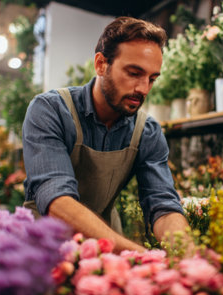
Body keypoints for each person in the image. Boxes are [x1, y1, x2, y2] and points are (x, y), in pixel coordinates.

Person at [22, 16, 191, 253]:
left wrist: (185, 253)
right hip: (44, 249)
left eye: (152, 79)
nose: (144, 89)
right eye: (134, 73)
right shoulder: (51, 110)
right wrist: (140, 255)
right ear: (101, 64)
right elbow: (56, 199)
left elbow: (163, 204)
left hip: (106, 253)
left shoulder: (147, 132)